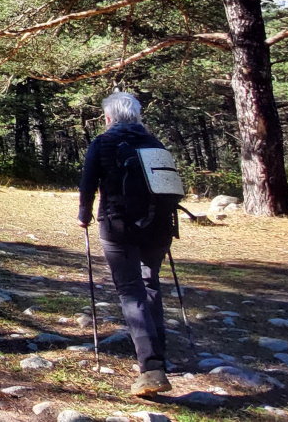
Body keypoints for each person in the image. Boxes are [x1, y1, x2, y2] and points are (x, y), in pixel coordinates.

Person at [78, 90, 179, 397]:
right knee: (150, 284)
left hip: (117, 223)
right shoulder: (154, 143)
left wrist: (83, 215)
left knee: (130, 290)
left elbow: (88, 183)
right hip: (159, 225)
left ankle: (150, 368)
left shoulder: (102, 142)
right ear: (136, 115)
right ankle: (159, 357)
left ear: (108, 117)